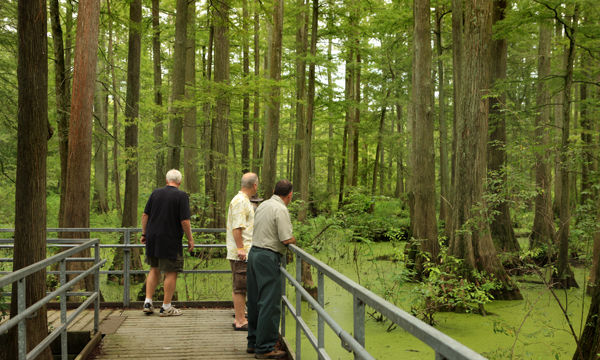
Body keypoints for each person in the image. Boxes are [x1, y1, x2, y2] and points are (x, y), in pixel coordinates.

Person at [247, 180, 296, 359]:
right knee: (269, 302)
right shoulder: (281, 209)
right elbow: (285, 238)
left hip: (254, 253)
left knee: (254, 299)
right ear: (289, 195)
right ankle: (265, 347)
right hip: (268, 257)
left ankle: (253, 342)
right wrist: (293, 240)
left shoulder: (263, 204)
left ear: (274, 190)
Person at [140, 169, 194, 316]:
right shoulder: (181, 196)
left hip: (152, 237)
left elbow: (145, 215)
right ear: (180, 182)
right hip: (170, 238)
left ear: (166, 180)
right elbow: (184, 220)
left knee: (154, 268)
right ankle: (166, 306)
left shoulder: (155, 193)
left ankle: (148, 302)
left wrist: (144, 233)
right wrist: (190, 238)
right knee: (171, 271)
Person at [226, 172, 259, 330]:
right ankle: (240, 321)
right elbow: (237, 227)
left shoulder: (244, 200)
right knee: (240, 287)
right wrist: (240, 248)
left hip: (244, 251)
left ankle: (241, 317)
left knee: (242, 286)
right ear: (254, 185)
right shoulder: (240, 201)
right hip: (241, 253)